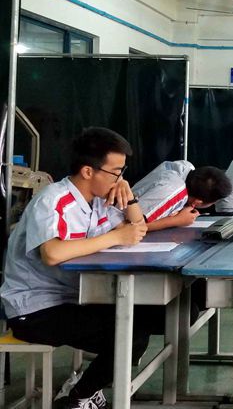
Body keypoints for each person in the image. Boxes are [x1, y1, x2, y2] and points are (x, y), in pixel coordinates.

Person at [1, 127, 150, 409]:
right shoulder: (54, 200)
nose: (119, 179)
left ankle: (84, 389)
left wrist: (128, 195)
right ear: (88, 171)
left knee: (145, 317)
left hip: (72, 298)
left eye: (122, 172)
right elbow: (52, 253)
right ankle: (76, 397)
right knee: (130, 335)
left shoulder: (97, 201)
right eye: (116, 172)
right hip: (35, 309)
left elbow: (137, 226)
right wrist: (115, 237)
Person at [130, 160, 231, 230]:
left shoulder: (185, 167)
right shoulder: (174, 191)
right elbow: (132, 227)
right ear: (197, 202)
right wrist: (176, 220)